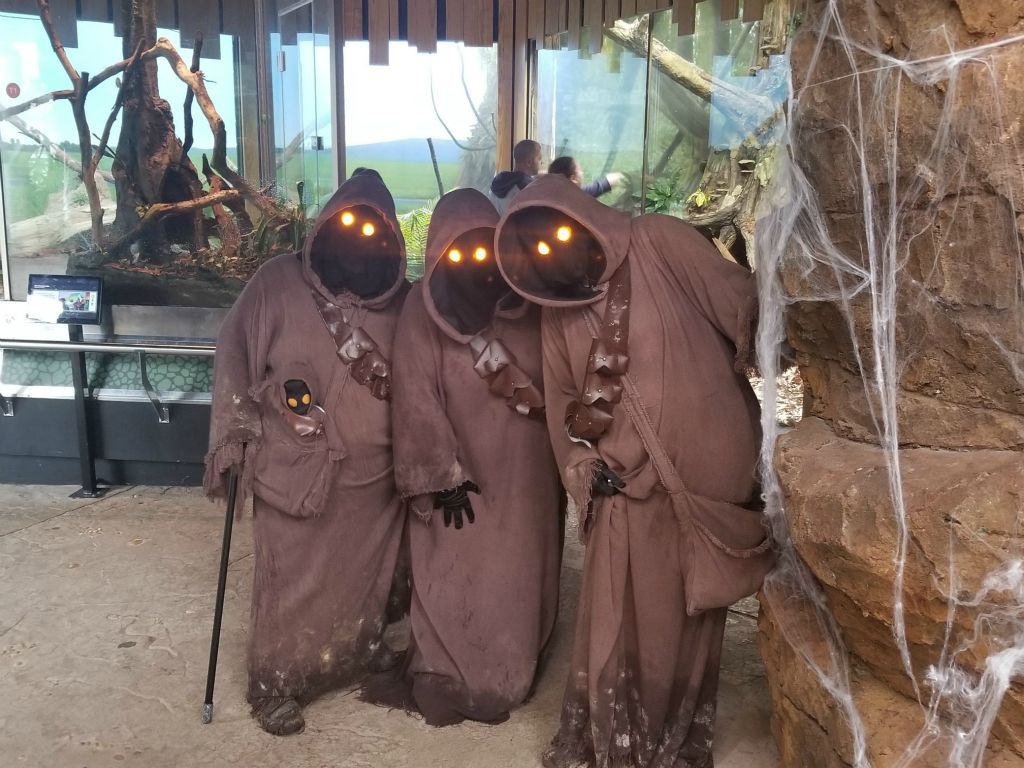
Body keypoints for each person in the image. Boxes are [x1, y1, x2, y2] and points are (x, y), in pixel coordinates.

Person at [494, 174, 773, 768]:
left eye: (559, 236)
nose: (553, 254)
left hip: (705, 485)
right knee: (614, 618)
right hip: (624, 489)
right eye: (537, 249)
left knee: (691, 618)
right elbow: (562, 404)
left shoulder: (659, 241)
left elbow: (740, 306)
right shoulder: (555, 315)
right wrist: (582, 464)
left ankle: (673, 737)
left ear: (585, 217)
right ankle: (614, 740)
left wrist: (787, 294)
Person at [203, 168, 410, 736]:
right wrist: (236, 430)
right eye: (348, 224)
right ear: (324, 225)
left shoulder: (403, 301)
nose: (359, 239)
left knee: (366, 576)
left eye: (374, 230)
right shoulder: (276, 282)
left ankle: (355, 650)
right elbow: (233, 348)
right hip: (293, 472)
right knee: (289, 582)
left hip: (374, 482)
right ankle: (276, 683)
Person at [364, 188, 562, 726]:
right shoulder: (421, 311)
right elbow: (416, 399)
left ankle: (512, 663)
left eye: (484, 248)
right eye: (460, 251)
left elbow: (560, 375)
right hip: (461, 479)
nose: (476, 263)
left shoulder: (529, 304)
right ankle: (452, 665)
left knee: (520, 570)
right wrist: (441, 475)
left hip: (526, 475)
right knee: (454, 570)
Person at [488, 139, 543, 215]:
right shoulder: (527, 190)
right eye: (539, 159)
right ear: (529, 162)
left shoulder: (496, 185)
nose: (542, 162)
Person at [547, 156, 626, 199]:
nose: (582, 173)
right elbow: (608, 182)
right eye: (580, 170)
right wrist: (627, 176)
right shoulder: (578, 196)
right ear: (572, 179)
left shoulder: (546, 195)